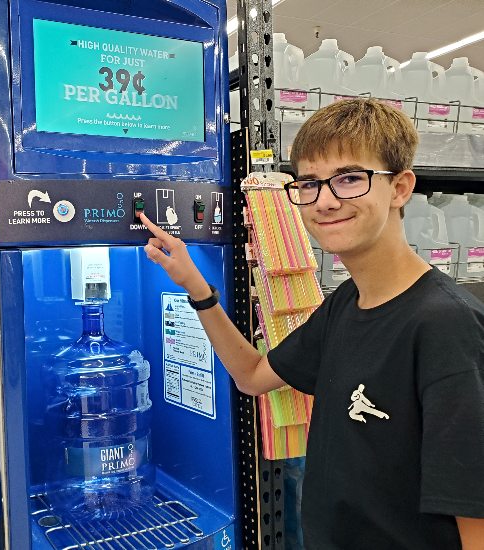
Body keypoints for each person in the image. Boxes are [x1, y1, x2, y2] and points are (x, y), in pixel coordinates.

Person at [139, 98, 484, 549]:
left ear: (400, 188)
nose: (325, 201)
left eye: (349, 179)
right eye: (309, 184)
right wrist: (197, 288)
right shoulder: (345, 304)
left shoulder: (446, 326)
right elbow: (251, 377)